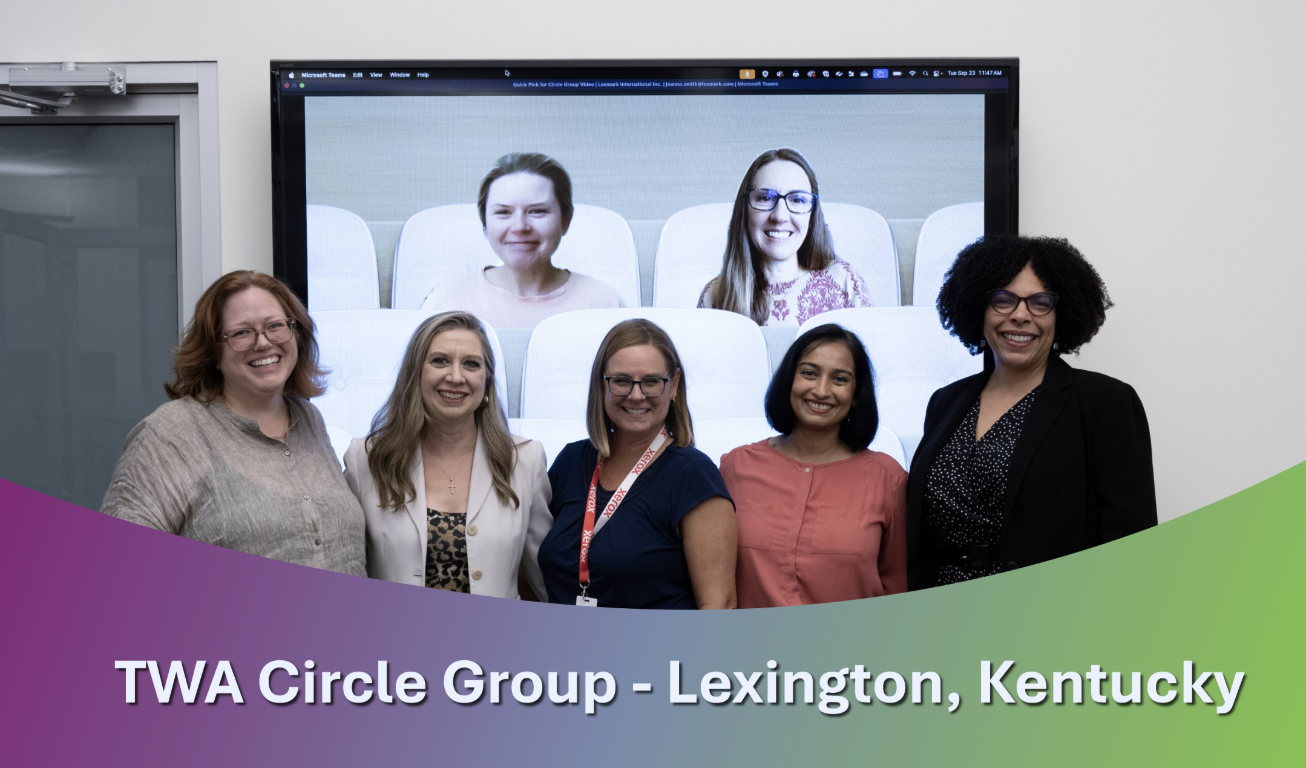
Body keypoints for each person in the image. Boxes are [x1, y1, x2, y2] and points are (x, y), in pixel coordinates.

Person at [906, 235, 1157, 589]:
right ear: (979, 307)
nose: (1020, 315)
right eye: (1003, 300)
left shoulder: (1105, 403)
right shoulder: (945, 402)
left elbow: (1132, 549)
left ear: (1061, 314)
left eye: (1040, 302)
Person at [101, 271, 365, 574]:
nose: (263, 342)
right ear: (213, 351)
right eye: (241, 333)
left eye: (276, 326)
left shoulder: (309, 420)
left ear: (297, 334)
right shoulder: (172, 433)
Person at [343, 312, 551, 599]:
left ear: (486, 380)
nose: (455, 376)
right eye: (440, 360)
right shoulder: (366, 459)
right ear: (415, 374)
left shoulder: (525, 460)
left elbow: (545, 577)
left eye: (471, 364)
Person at [537, 319, 737, 609]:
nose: (636, 395)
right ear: (601, 385)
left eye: (651, 382)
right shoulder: (571, 461)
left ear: (674, 385)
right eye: (621, 381)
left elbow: (719, 608)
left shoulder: (693, 475)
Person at [720, 324, 906, 607]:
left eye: (840, 379)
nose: (821, 390)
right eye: (809, 373)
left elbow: (900, 589)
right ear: (788, 380)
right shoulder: (736, 467)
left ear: (857, 395)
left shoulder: (888, 479)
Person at [420, 152, 622, 328]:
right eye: (503, 212)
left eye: (537, 211)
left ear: (565, 220)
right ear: (484, 224)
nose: (519, 227)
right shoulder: (446, 301)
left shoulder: (604, 302)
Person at [698, 148, 871, 326]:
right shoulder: (715, 296)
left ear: (812, 215)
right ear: (745, 211)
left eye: (797, 200)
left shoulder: (844, 282)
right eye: (765, 198)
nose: (780, 216)